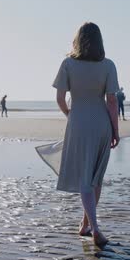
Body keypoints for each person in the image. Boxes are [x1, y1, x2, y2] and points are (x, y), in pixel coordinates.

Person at [52, 22, 120, 248]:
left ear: (77, 40)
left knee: (85, 176)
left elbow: (60, 99)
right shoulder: (108, 65)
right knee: (95, 176)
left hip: (79, 122)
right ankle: (87, 225)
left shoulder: (68, 64)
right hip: (101, 123)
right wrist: (115, 130)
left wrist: (70, 114)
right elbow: (112, 101)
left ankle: (92, 227)